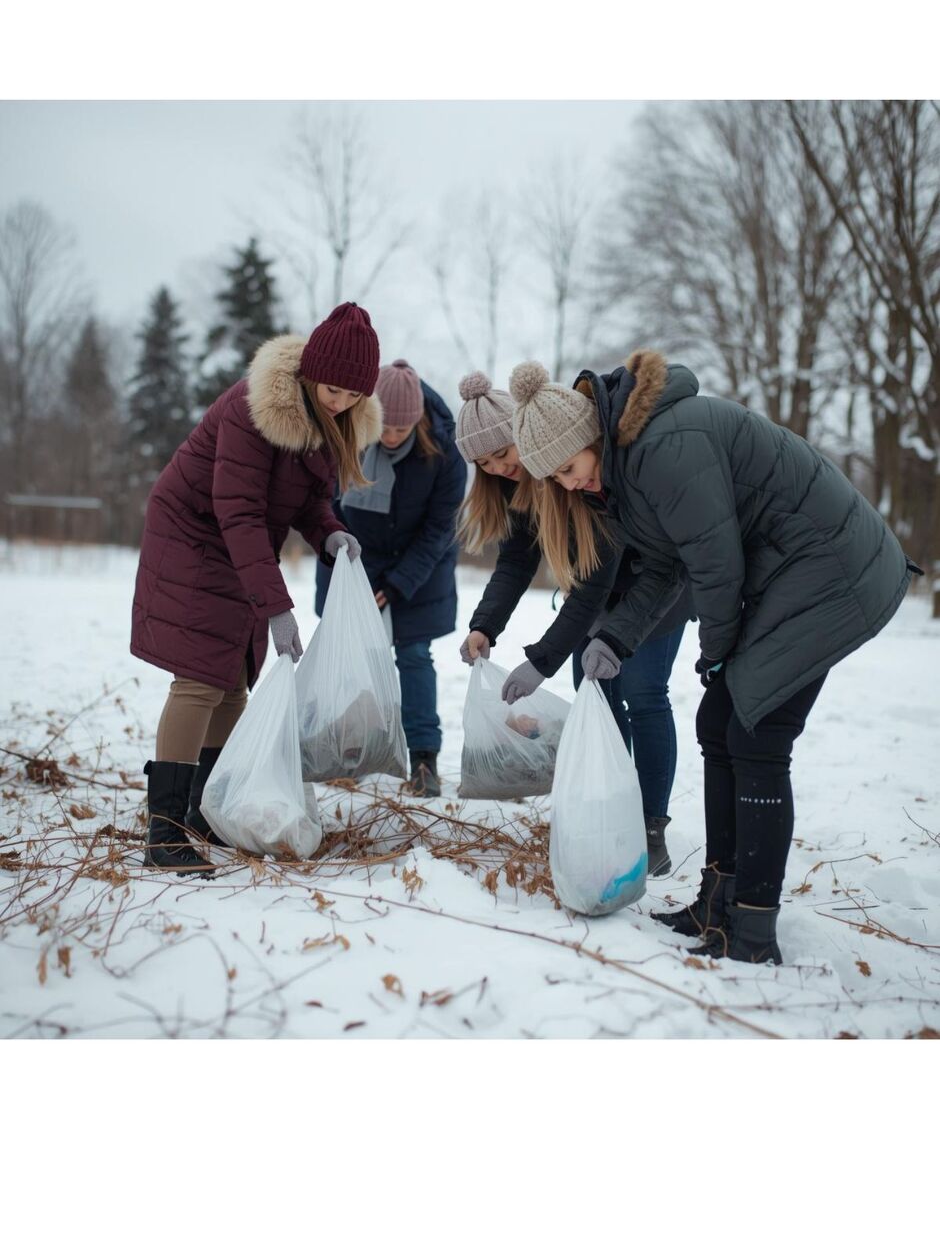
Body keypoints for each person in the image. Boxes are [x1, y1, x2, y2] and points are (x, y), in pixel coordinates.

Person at [508, 353, 921, 963]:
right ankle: (717, 902)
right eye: (560, 481)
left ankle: (752, 929)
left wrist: (717, 655)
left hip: (830, 568)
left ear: (592, 437)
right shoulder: (626, 471)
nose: (573, 486)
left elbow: (716, 564)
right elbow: (665, 566)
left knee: (755, 732)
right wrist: (614, 637)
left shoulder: (664, 447)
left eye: (571, 468)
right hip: (790, 570)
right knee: (716, 724)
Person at [130, 302, 381, 874]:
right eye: (332, 390)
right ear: (311, 371)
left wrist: (332, 535)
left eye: (352, 396)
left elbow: (309, 500)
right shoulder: (257, 408)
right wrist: (277, 607)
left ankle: (203, 811)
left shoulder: (332, 421)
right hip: (193, 530)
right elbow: (238, 509)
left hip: (238, 539)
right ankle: (163, 834)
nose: (339, 402)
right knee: (200, 676)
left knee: (235, 676)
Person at [455, 372, 690, 872]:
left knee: (644, 694)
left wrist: (543, 656)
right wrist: (485, 625)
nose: (500, 469)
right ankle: (610, 808)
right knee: (596, 701)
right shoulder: (518, 489)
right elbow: (516, 564)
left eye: (504, 453)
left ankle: (650, 826)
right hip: (592, 596)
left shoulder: (569, 469)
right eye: (486, 464)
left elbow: (601, 576)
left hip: (654, 590)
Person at [315, 359, 466, 796]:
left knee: (414, 656)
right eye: (385, 426)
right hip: (353, 559)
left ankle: (423, 759)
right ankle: (350, 749)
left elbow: (441, 528)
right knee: (349, 658)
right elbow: (325, 502)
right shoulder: (345, 435)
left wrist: (399, 583)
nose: (391, 436)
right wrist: (342, 553)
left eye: (402, 429)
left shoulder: (443, 451)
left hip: (418, 568)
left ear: (417, 421)